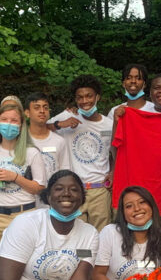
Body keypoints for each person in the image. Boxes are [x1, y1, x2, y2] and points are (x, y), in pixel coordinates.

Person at [112, 74, 161, 233]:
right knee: (138, 243)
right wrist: (117, 120)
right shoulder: (132, 115)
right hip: (140, 194)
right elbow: (115, 146)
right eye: (157, 88)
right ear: (150, 91)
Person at [47, 75, 113, 231]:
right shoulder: (67, 116)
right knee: (76, 233)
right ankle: (81, 257)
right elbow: (38, 130)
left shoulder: (109, 125)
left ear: (98, 97)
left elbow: (115, 153)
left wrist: (113, 171)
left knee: (102, 234)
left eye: (89, 96)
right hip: (74, 189)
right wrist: (59, 124)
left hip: (100, 189)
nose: (85, 101)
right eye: (80, 97)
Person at [0, 103, 46, 264]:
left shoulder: (31, 152)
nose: (8, 124)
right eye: (4, 119)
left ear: (21, 125)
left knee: (22, 265)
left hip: (23, 215)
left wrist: (15, 177)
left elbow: (39, 188)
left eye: (14, 120)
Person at [25, 93, 69, 207]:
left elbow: (65, 173)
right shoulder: (20, 140)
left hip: (53, 200)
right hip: (26, 200)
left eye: (45, 107)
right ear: (27, 113)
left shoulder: (59, 141)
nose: (42, 111)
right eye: (36, 107)